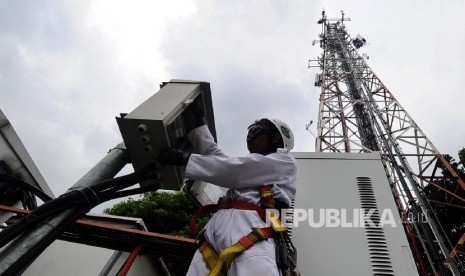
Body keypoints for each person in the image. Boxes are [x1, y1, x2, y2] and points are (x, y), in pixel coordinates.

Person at [160, 111, 297, 275]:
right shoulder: (251, 170)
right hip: (217, 230)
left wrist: (186, 159)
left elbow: (234, 170)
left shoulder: (285, 161)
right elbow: (216, 157)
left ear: (275, 138)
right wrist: (198, 123)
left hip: (251, 228)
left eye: (257, 132)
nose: (250, 137)